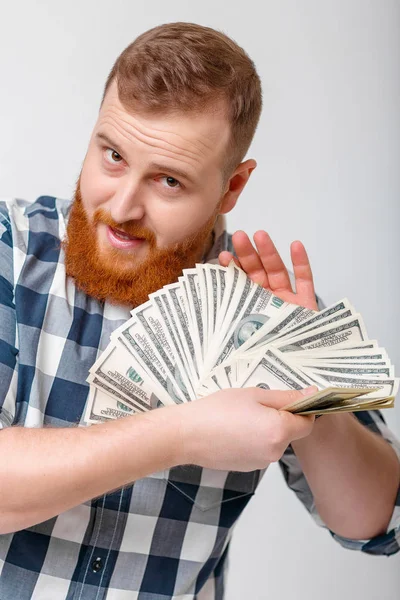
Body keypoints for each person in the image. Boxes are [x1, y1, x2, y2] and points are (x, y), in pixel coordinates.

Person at [0, 22, 399, 600]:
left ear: (232, 187)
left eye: (168, 180)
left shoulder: (267, 302)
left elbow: (374, 524)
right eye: (112, 155)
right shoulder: (9, 250)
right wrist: (180, 435)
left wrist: (311, 390)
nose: (122, 206)